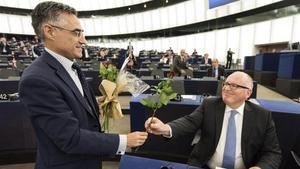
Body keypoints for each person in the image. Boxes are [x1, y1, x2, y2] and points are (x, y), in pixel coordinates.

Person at [19, 2, 148, 169]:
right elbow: (70, 138)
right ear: (50, 31)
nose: (84, 41)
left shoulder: (73, 66)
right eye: (76, 33)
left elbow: (71, 110)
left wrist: (93, 107)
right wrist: (124, 140)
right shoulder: (36, 80)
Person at [145, 71, 281, 169]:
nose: (227, 88)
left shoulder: (262, 115)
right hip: (205, 165)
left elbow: (272, 153)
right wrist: (166, 128)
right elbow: (189, 122)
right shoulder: (210, 105)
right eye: (226, 84)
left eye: (234, 86)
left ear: (248, 93)